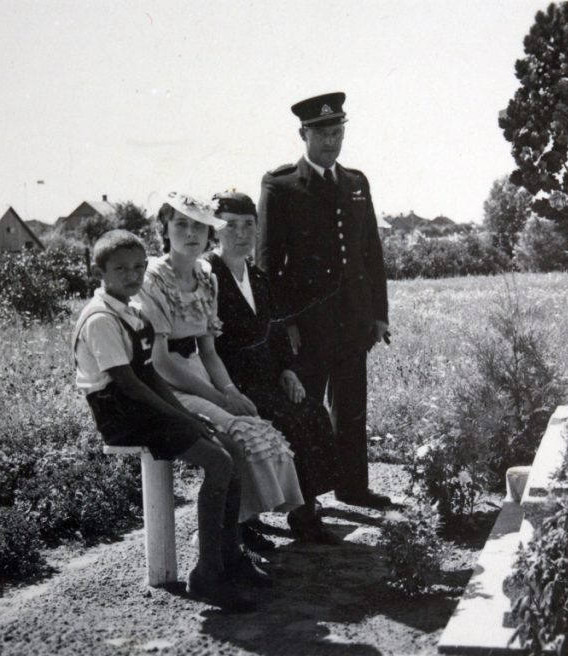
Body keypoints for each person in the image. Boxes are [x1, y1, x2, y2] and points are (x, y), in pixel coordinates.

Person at [72, 229, 258, 610]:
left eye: (139, 267)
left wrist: (186, 412)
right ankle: (208, 574)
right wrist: (181, 417)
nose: (132, 275)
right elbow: (127, 383)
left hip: (144, 404)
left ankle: (231, 556)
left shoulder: (134, 311)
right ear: (100, 272)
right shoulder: (101, 319)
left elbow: (151, 374)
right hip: (120, 411)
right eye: (120, 268)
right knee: (219, 463)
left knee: (234, 449)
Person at [135, 195, 305, 554]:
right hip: (163, 385)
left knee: (259, 428)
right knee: (235, 435)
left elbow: (209, 352)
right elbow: (163, 362)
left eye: (198, 225)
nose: (191, 233)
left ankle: (237, 534)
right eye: (181, 224)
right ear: (164, 229)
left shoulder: (206, 276)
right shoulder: (153, 279)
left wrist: (230, 391)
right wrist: (219, 399)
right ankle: (217, 543)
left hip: (200, 377)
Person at [259, 92, 392, 509]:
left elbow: (371, 252)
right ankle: (306, 500)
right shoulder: (280, 185)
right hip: (307, 325)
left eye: (337, 132)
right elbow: (267, 264)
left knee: (351, 408)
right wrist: (283, 325)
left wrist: (380, 315)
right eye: (322, 134)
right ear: (303, 134)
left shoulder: (355, 183)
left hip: (353, 320)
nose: (331, 141)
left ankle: (353, 487)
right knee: (307, 412)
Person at [204, 190, 342, 545]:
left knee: (312, 412)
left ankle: (305, 512)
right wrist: (226, 393)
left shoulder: (259, 277)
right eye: (230, 225)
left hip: (266, 379)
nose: (240, 233)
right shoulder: (208, 276)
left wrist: (288, 370)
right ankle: (244, 521)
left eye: (248, 225)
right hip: (229, 385)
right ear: (214, 230)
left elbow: (275, 329)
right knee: (286, 423)